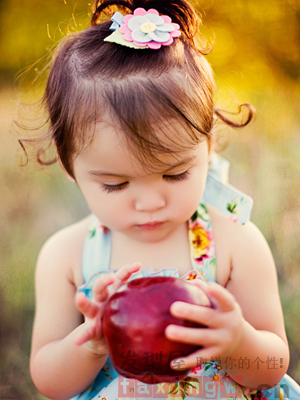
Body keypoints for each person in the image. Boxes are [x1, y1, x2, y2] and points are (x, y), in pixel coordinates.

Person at [24, 0, 300, 399]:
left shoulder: (235, 241)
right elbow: (49, 382)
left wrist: (237, 340)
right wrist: (92, 342)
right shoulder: (66, 256)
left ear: (208, 149)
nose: (150, 202)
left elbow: (271, 370)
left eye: (175, 174)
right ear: (71, 169)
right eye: (116, 185)